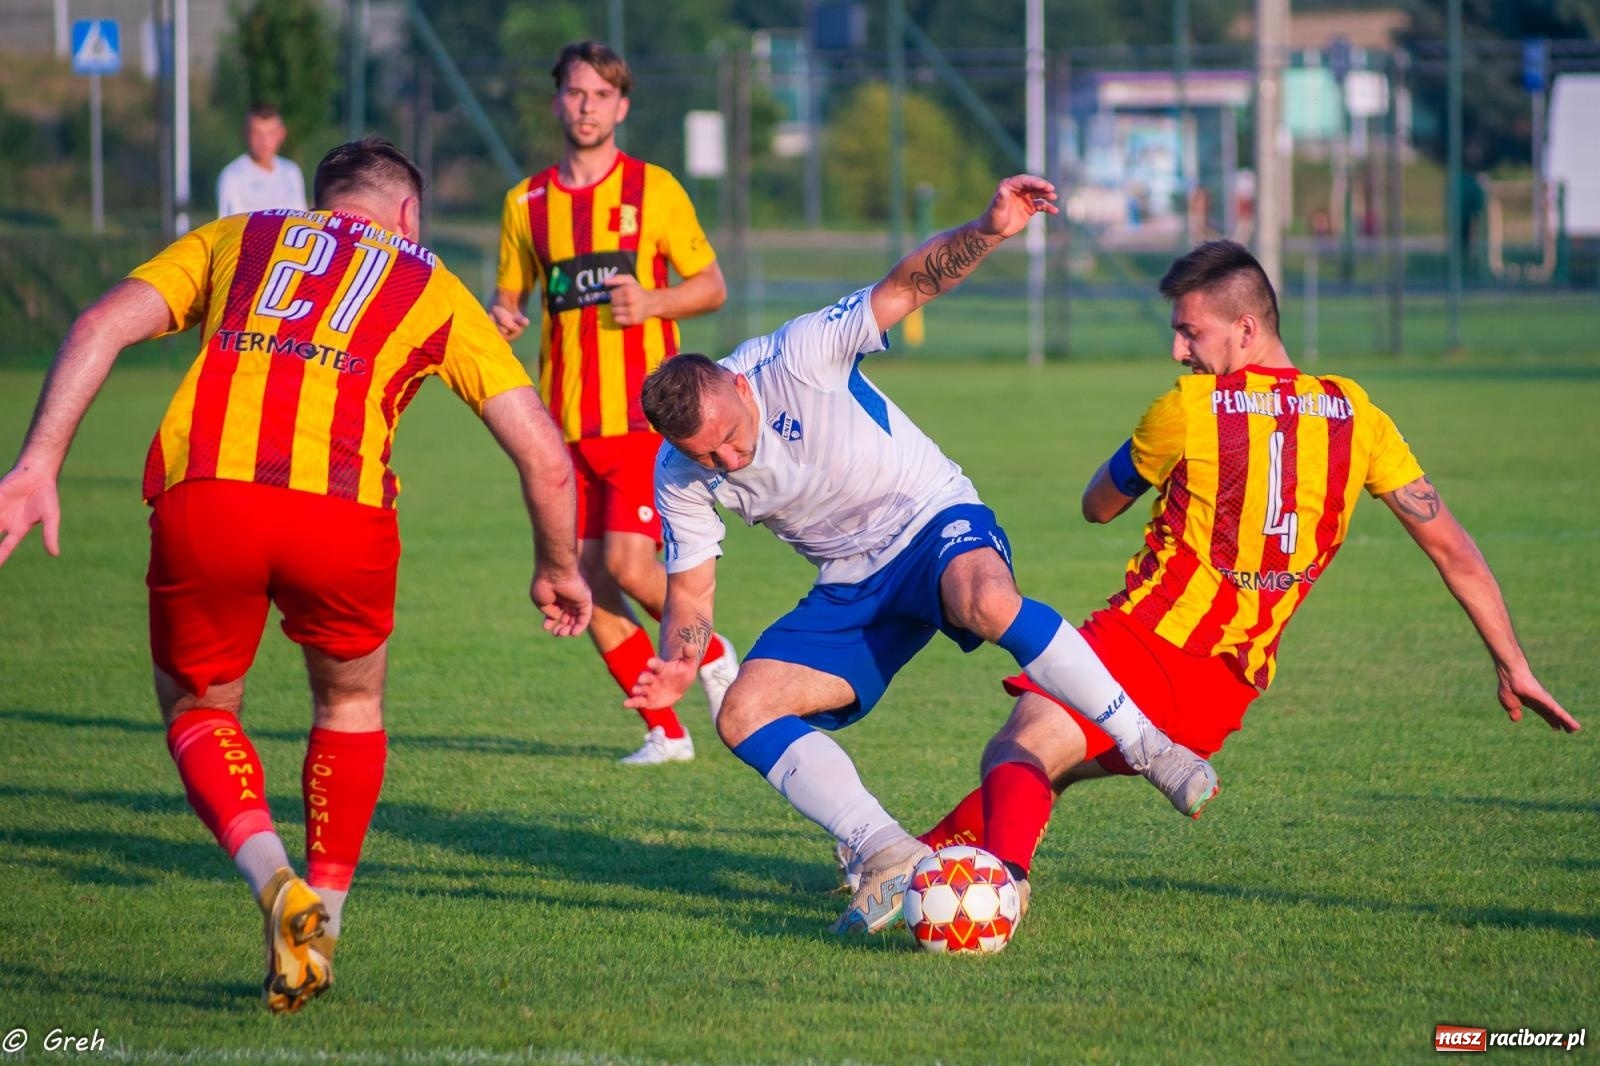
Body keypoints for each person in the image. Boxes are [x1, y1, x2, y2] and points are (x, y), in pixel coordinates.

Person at [0, 137, 592, 1013]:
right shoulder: (430, 281)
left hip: (209, 498)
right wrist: (556, 566)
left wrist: (37, 462)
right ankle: (327, 924)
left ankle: (276, 881)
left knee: (201, 707)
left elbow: (97, 325)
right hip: (342, 517)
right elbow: (544, 452)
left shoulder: (237, 235)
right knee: (350, 705)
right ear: (408, 215)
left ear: (320, 202)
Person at [913, 238, 1581, 916]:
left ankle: (1003, 891)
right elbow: (1453, 550)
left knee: (1018, 747)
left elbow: (1096, 507)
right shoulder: (1360, 416)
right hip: (1227, 690)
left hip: (1147, 643)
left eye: (1189, 331)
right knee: (1051, 762)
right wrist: (1513, 664)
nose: (1180, 351)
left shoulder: (1190, 408)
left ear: (1247, 329)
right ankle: (911, 863)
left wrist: (1149, 454)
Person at [628, 175, 1219, 936]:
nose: (728, 461)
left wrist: (990, 227)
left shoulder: (797, 355)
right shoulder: (681, 472)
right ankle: (888, 853)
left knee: (986, 600)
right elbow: (692, 595)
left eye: (731, 438)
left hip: (931, 515)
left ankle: (1151, 748)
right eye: (706, 455)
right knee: (743, 711)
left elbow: (908, 286)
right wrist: (681, 657)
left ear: (740, 384)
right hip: (850, 581)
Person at [493, 41, 735, 766]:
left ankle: (714, 652)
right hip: (561, 430)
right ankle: (665, 731)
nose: (587, 105)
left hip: (639, 421)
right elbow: (510, 298)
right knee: (583, 581)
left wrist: (655, 299)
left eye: (601, 94)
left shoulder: (652, 190)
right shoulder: (525, 204)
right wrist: (502, 316)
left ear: (622, 106)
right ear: (558, 100)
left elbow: (712, 284)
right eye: (574, 92)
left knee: (628, 566)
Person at [216, 105, 308, 217]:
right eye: (257, 133)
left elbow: (302, 218)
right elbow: (229, 226)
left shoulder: (291, 171)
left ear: (281, 134)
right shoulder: (232, 176)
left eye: (270, 133)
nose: (264, 141)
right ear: (245, 133)